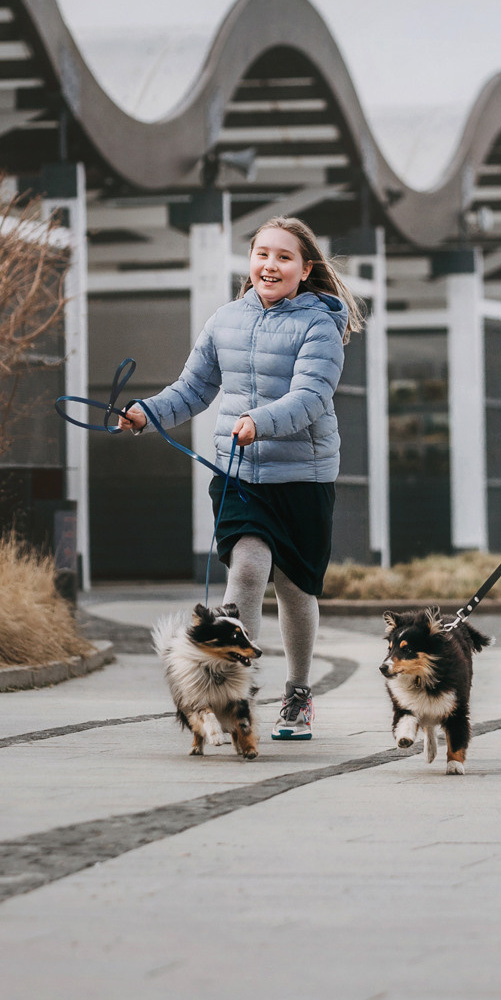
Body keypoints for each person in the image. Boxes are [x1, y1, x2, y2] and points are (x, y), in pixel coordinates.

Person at [124, 216, 363, 741]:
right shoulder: (225, 320)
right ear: (249, 261)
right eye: (261, 254)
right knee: (249, 569)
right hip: (239, 473)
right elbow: (191, 389)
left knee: (296, 588)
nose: (270, 265)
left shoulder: (321, 325)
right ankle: (237, 690)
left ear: (305, 269)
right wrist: (146, 412)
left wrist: (260, 421)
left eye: (283, 257)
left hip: (302, 477)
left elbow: (311, 397)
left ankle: (298, 692)